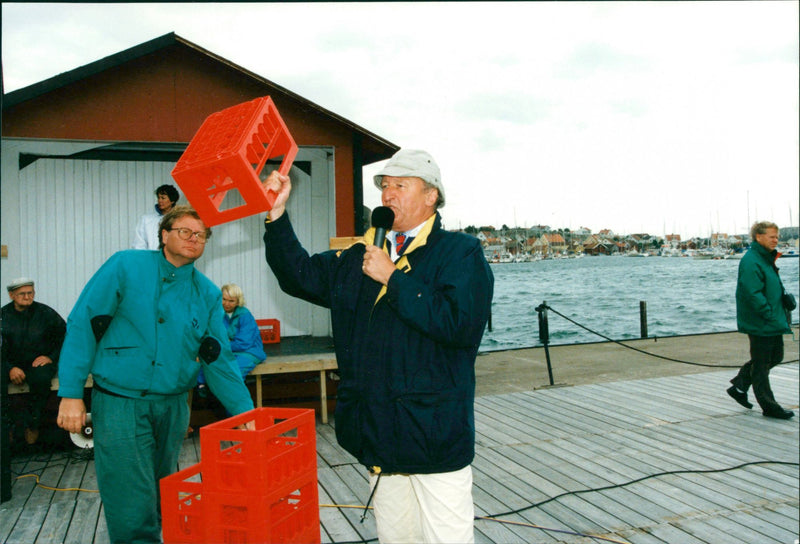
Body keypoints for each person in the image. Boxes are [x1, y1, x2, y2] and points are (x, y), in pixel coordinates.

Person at [261, 149, 494, 543]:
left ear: (431, 196)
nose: (388, 195)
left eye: (400, 186)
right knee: (395, 537)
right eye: (385, 186)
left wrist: (394, 279)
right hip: (378, 436)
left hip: (434, 436)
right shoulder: (359, 256)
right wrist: (276, 214)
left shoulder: (460, 252)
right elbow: (297, 275)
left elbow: (460, 326)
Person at [56, 205, 255, 543]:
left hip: (174, 407)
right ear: (164, 235)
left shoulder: (207, 292)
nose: (194, 238)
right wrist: (71, 392)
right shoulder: (125, 266)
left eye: (201, 234)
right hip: (121, 405)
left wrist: (245, 412)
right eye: (185, 231)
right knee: (130, 502)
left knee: (165, 492)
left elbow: (217, 358)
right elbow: (83, 325)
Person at [727, 221, 794, 419]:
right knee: (762, 363)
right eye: (772, 237)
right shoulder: (751, 260)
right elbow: (752, 293)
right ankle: (770, 406)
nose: (776, 240)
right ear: (759, 237)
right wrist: (768, 314)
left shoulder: (764, 258)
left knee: (775, 357)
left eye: (777, 237)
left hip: (771, 319)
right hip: (761, 321)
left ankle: (740, 386)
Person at [1, 278, 66, 445]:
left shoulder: (46, 313)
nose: (27, 296)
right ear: (11, 295)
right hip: (8, 364)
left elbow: (64, 337)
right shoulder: (3, 316)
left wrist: (50, 357)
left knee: (41, 379)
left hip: (38, 364)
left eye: (30, 293)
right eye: (22, 293)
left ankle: (33, 425)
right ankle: (5, 428)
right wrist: (9, 368)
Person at [196, 283, 266, 396]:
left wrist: (222, 344)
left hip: (249, 351)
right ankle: (202, 385)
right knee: (207, 360)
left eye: (231, 301)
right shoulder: (217, 314)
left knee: (234, 374)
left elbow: (244, 343)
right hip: (229, 350)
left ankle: (238, 408)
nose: (226, 303)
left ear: (238, 301)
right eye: (224, 299)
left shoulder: (245, 315)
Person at [131, 184, 179, 249]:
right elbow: (138, 244)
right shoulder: (146, 220)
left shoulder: (179, 219)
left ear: (172, 201)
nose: (160, 200)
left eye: (163, 198)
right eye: (158, 198)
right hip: (150, 257)